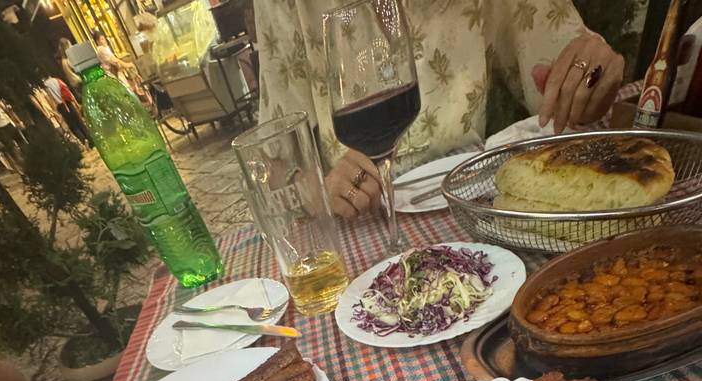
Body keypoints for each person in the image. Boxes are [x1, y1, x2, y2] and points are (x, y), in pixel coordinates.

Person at [255, 0, 625, 219]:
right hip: (361, 234)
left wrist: (591, 80)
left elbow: (571, 89)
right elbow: (269, 162)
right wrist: (312, 189)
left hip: (480, 213)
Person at [43, 75, 93, 147]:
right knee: (79, 121)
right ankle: (90, 140)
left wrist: (56, 112)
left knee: (73, 126)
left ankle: (84, 140)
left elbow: (52, 99)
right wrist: (75, 103)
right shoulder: (57, 80)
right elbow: (68, 91)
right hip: (68, 102)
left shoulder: (46, 86)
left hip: (61, 106)